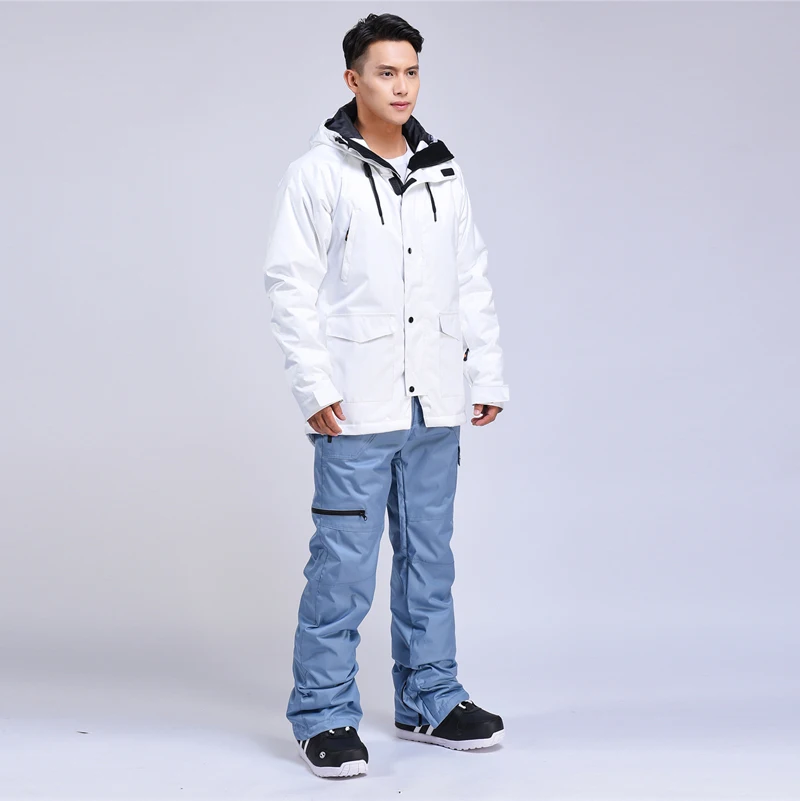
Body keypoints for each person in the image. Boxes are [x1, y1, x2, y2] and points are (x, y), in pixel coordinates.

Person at [262, 12, 509, 779]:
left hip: (434, 401)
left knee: (429, 559)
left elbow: (471, 276)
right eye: (385, 72)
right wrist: (313, 384)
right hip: (357, 404)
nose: (401, 86)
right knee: (343, 563)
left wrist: (486, 372)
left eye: (411, 72)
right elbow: (289, 284)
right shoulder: (319, 173)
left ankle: (430, 697)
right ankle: (323, 713)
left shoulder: (443, 171)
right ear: (353, 79)